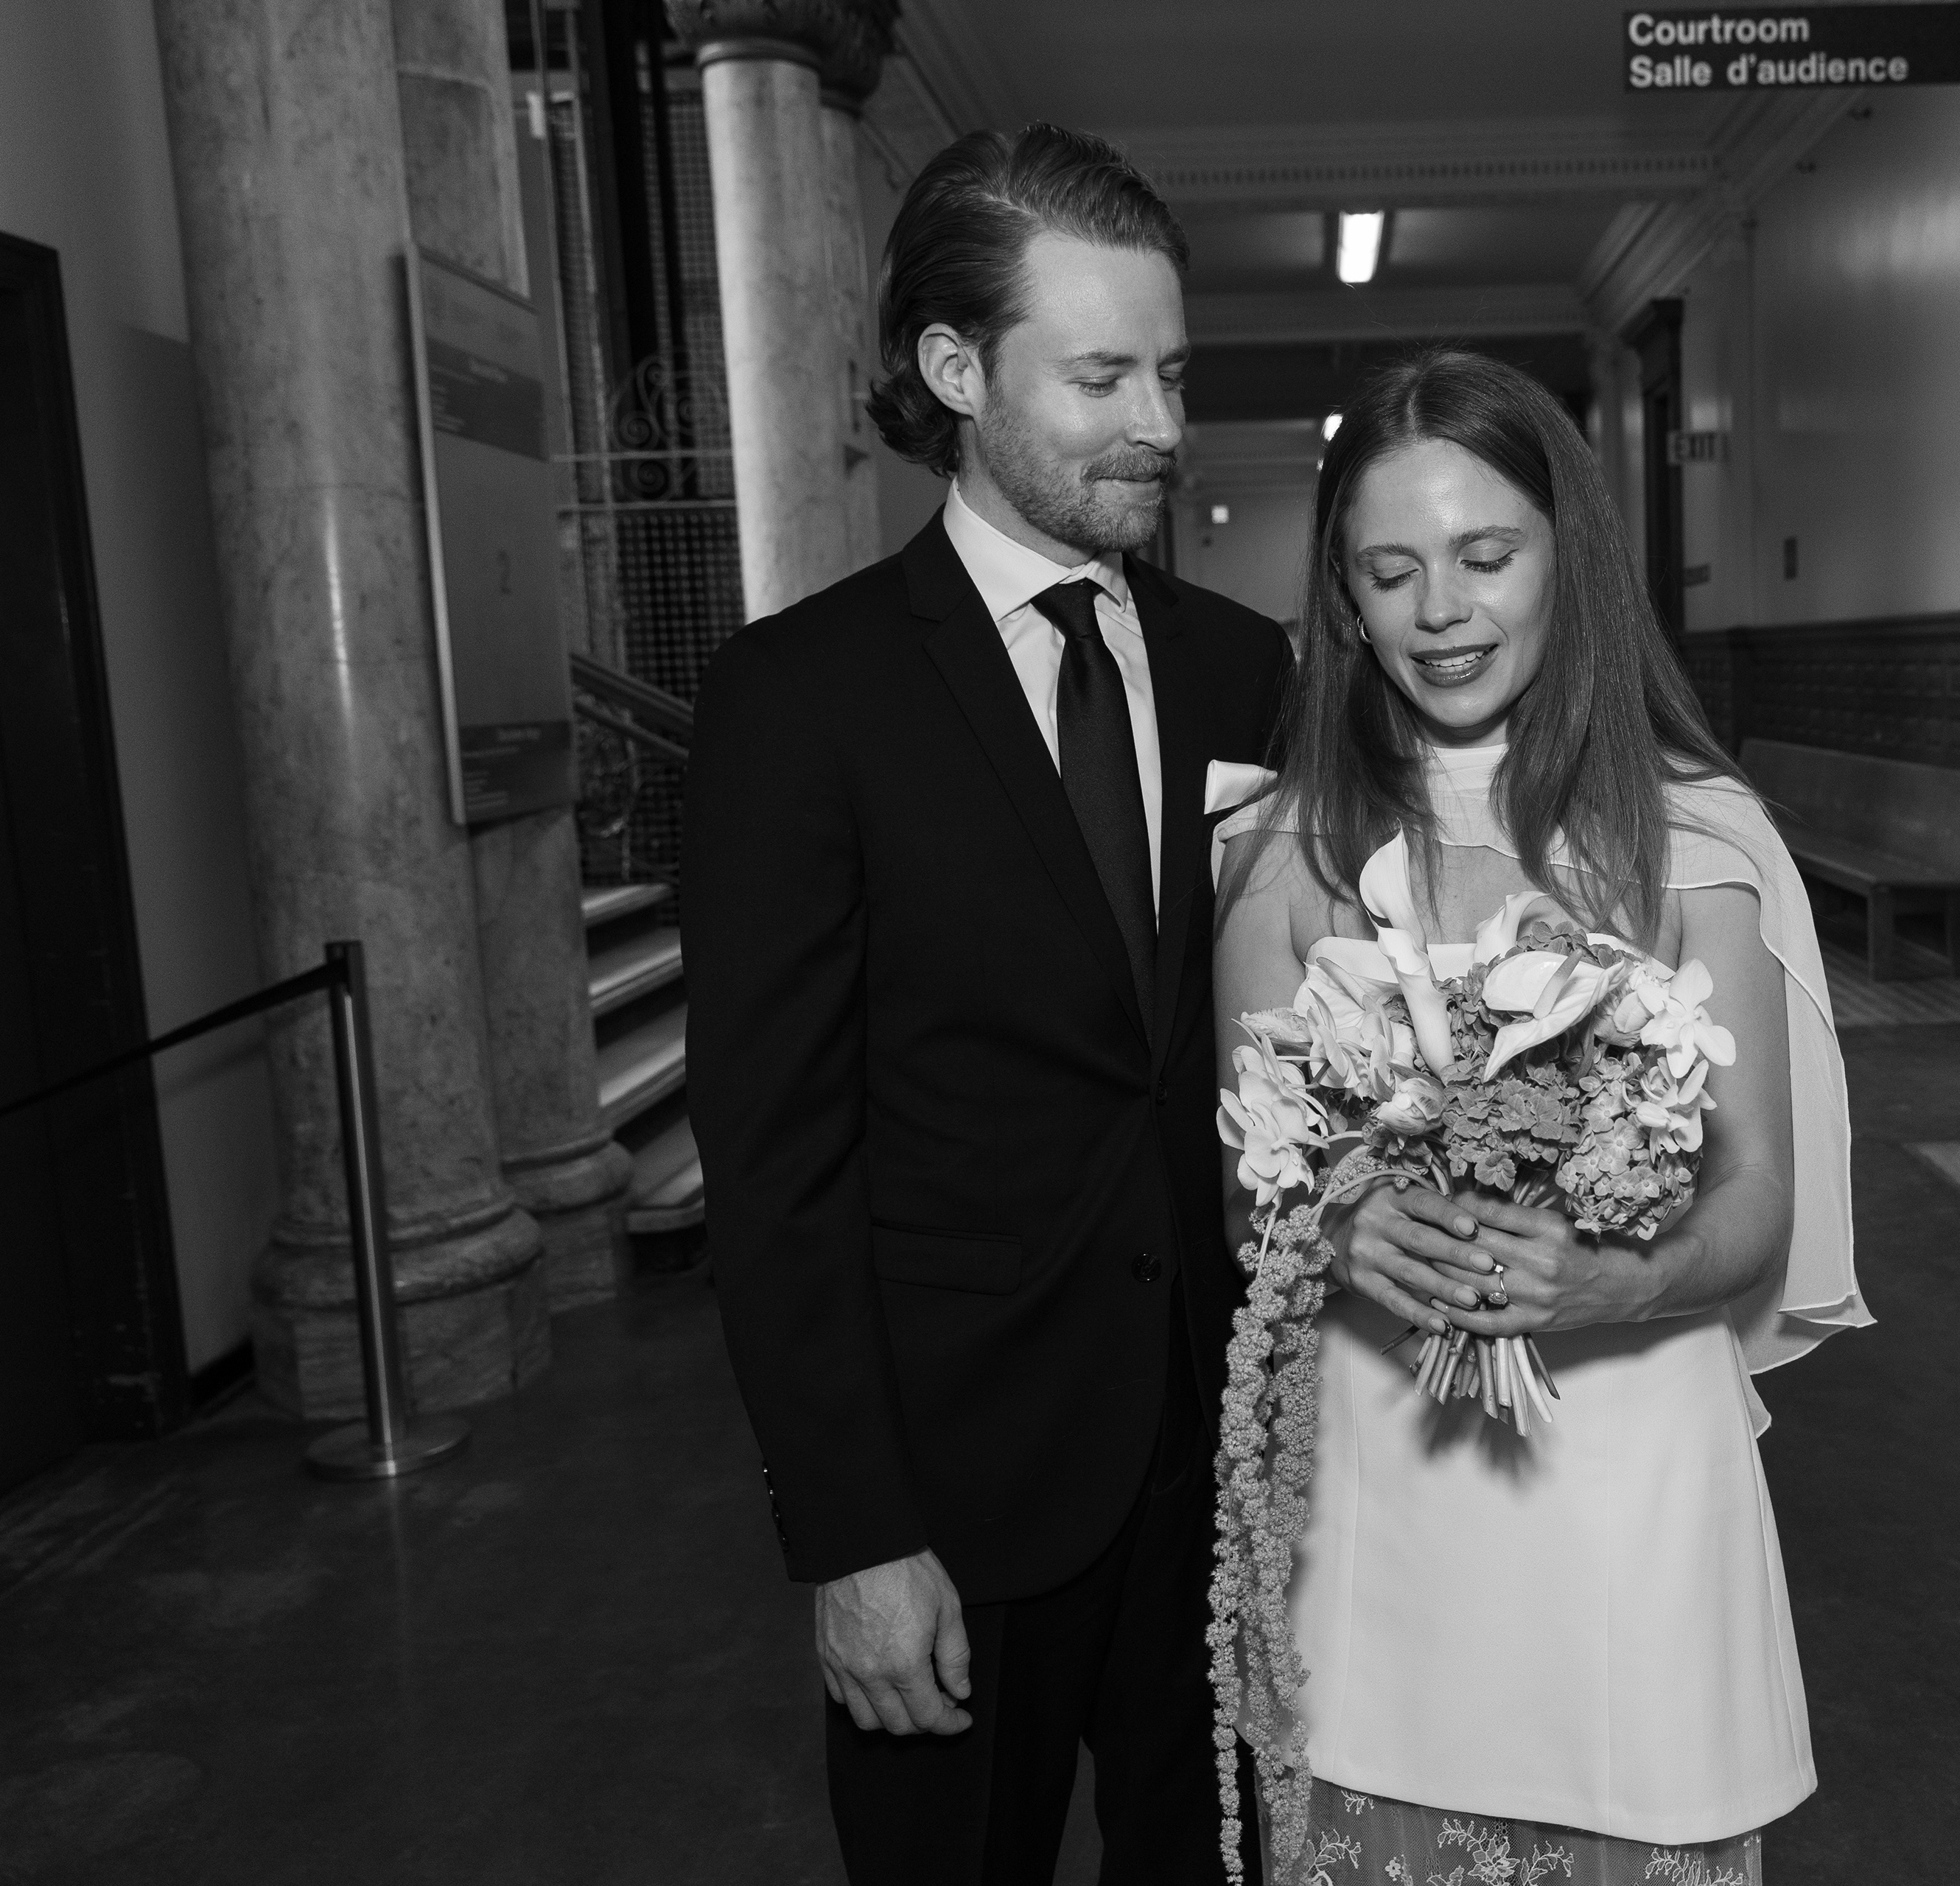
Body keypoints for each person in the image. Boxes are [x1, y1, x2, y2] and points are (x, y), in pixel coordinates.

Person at [684, 124, 1289, 1884]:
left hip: (1216, 1463)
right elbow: (776, 1161)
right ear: (955, 370)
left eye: (1172, 372)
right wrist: (853, 1534)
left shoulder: (1242, 664)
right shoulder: (803, 699)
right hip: (955, 1494)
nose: (1161, 425)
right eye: (1101, 375)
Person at [1211, 351, 1869, 1881]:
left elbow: (1760, 1188)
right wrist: (1345, 1217)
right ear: (1345, 599)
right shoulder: (1279, 845)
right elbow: (1248, 1178)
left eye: (1486, 555)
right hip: (1387, 1495)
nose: (1441, 606)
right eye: (1391, 568)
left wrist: (1619, 1276)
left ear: (1568, 555)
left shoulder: (1696, 834)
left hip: (1634, 1487)